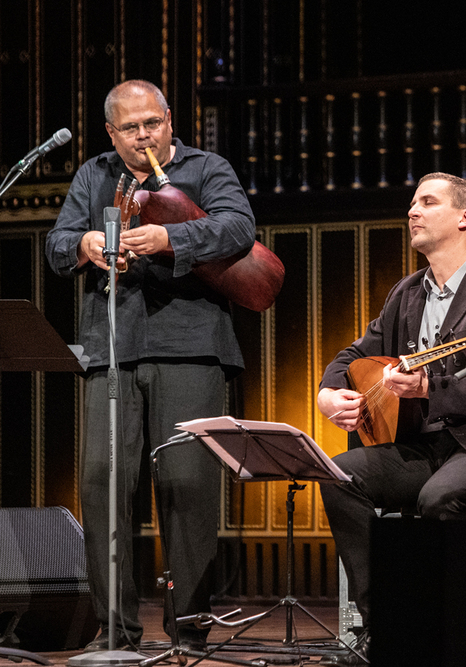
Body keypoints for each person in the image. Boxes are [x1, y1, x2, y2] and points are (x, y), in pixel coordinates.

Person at [45, 79, 256, 651]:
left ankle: (188, 631)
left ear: (169, 119)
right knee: (101, 483)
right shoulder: (93, 175)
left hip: (189, 346)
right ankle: (114, 631)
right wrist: (86, 243)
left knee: (186, 484)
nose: (144, 137)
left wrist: (170, 237)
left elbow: (240, 227)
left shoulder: (206, 166)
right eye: (130, 129)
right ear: (112, 134)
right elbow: (56, 242)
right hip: (111, 347)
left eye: (152, 124)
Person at [316, 172, 466, 665]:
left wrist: (431, 388)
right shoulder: (407, 293)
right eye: (412, 203)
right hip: (427, 446)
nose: (413, 211)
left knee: (439, 496)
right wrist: (328, 394)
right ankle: (383, 625)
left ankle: (451, 634)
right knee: (340, 475)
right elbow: (354, 354)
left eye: (427, 202)